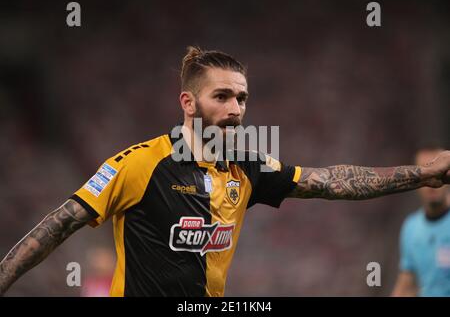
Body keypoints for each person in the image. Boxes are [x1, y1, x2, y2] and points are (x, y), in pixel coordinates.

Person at [0, 46, 449, 297]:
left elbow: (330, 181)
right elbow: (57, 226)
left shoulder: (249, 165)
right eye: (222, 96)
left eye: (242, 97)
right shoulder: (138, 163)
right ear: (188, 102)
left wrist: (423, 173)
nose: (236, 109)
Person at [392, 147, 450, 297]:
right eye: (424, 174)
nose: (432, 181)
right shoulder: (411, 227)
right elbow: (407, 286)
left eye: (439, 172)